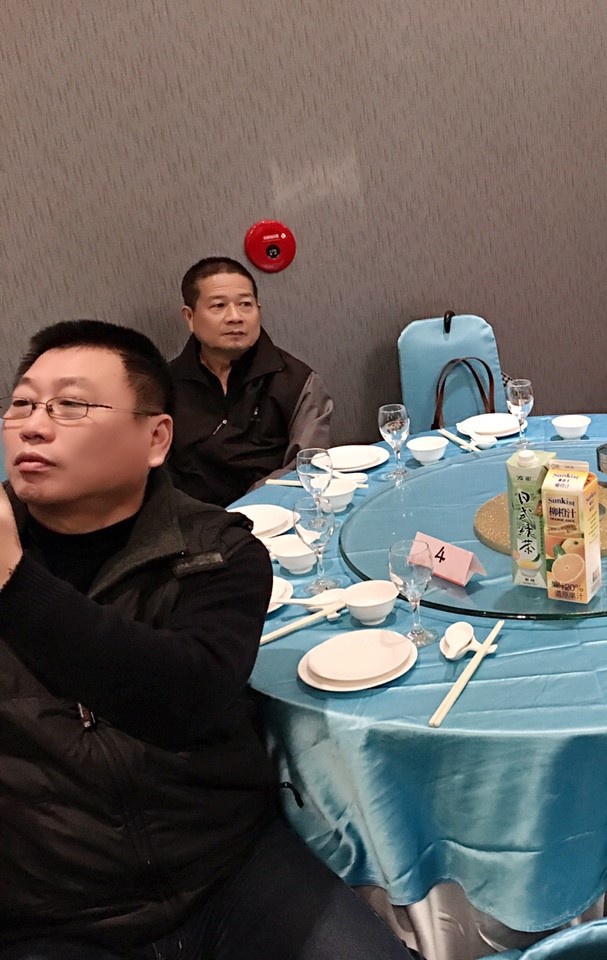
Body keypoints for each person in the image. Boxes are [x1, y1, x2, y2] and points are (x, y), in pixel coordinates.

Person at [0, 320, 411, 958]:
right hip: (52, 912)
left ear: (156, 438)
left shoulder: (218, 550)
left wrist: (15, 585)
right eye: (22, 404)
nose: (33, 425)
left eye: (70, 405)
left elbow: (187, 697)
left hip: (229, 869)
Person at [168, 257, 333, 507]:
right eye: (218, 306)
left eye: (245, 304)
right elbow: (152, 469)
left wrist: (249, 507)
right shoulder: (163, 385)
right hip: (192, 520)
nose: (235, 317)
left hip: (276, 512)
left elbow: (308, 465)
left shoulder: (297, 381)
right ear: (189, 317)